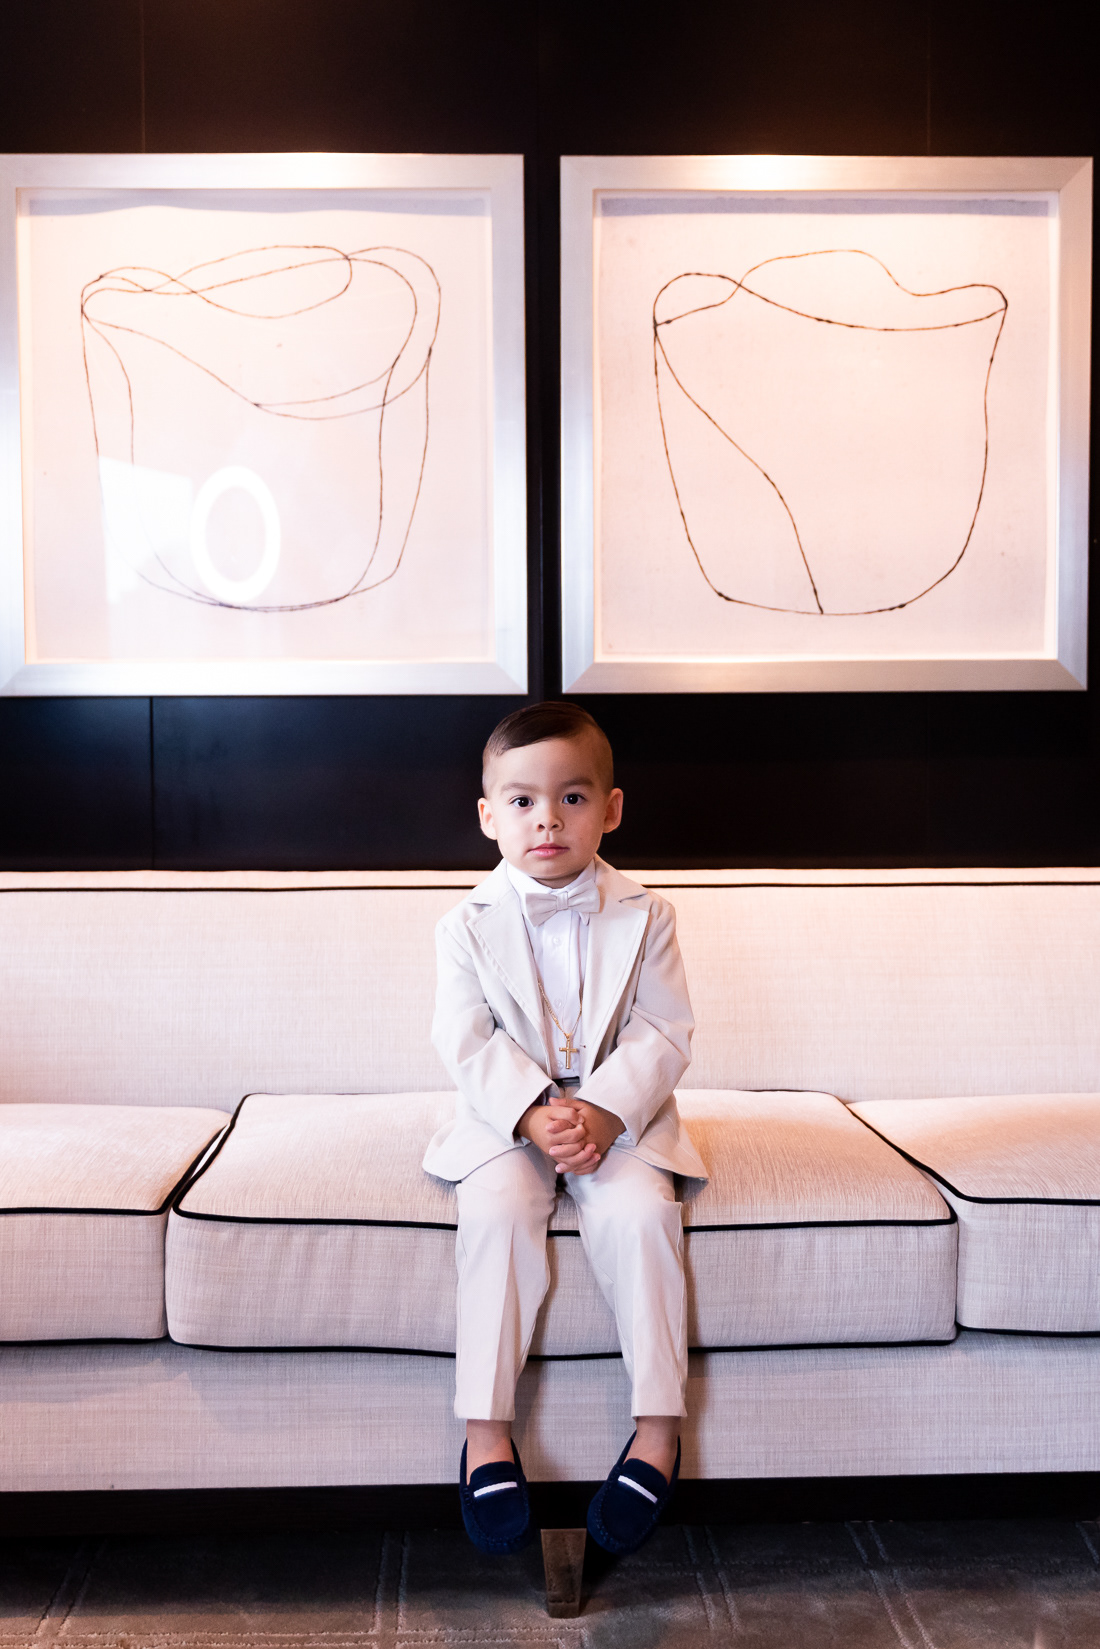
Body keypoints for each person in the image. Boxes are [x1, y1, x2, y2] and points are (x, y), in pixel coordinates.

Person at [424, 700, 707, 1556]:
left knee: (642, 1214)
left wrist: (604, 1108)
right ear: (489, 816)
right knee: (498, 1213)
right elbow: (464, 1038)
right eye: (522, 801)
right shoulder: (463, 925)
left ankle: (657, 1431)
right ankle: (486, 1434)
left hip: (617, 1112)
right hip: (507, 1115)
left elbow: (664, 1030)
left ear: (610, 809)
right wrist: (530, 1109)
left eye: (571, 797)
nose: (546, 818)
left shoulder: (649, 913)